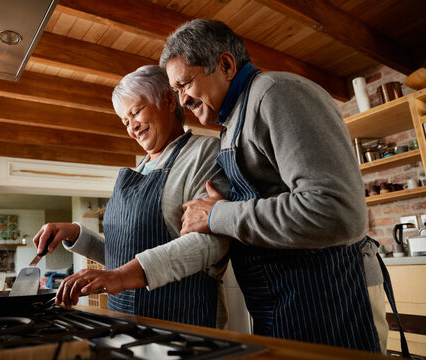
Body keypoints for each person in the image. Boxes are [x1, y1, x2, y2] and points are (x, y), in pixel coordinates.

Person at [159, 19, 403, 354]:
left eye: (184, 84)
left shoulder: (276, 93)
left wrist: (219, 214)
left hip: (330, 300)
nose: (182, 100)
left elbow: (335, 211)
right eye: (175, 91)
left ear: (226, 64)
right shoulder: (231, 123)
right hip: (284, 303)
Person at [33, 65, 232, 328]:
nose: (132, 128)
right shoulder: (139, 169)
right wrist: (76, 234)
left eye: (136, 112)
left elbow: (212, 243)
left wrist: (122, 276)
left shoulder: (205, 153)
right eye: (125, 121)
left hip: (183, 319)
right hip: (125, 323)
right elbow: (123, 256)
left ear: (169, 100)